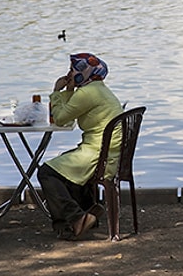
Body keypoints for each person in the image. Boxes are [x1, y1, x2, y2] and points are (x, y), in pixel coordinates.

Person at [37, 52, 123, 240]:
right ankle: (87, 210)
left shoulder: (86, 93)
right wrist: (69, 91)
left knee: (46, 172)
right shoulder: (98, 89)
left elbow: (60, 119)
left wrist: (56, 91)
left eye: (71, 69)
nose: (69, 73)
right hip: (108, 153)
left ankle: (77, 218)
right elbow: (69, 112)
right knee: (62, 164)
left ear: (82, 72)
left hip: (99, 155)